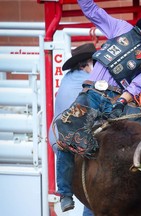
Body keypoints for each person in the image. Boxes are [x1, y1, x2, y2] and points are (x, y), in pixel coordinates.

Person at [54, 0, 141, 212]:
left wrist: (121, 102)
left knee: (138, 133)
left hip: (115, 99)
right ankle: (65, 192)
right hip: (90, 93)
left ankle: (140, 182)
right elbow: (93, 12)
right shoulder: (121, 29)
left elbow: (135, 87)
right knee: (66, 133)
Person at [48, 43, 96, 215]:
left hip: (59, 134)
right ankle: (65, 194)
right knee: (95, 184)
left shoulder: (69, 77)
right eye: (96, 63)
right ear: (86, 64)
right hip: (69, 136)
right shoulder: (88, 81)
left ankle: (65, 195)